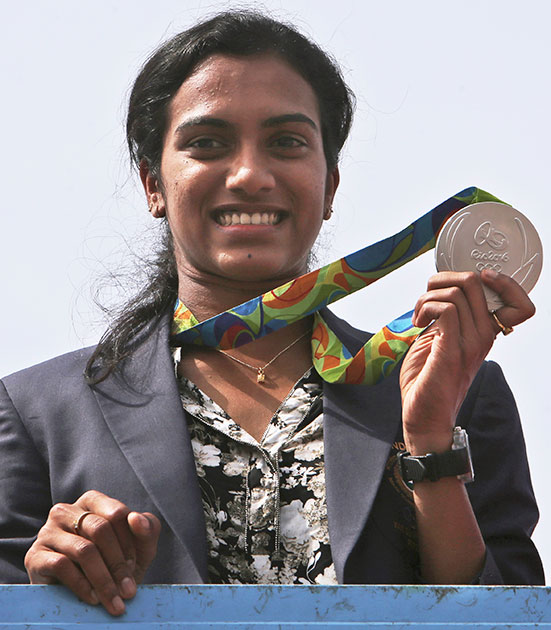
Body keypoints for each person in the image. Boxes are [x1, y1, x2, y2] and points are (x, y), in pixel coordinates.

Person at [0, 10, 543, 618]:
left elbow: (510, 615)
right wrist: (45, 585)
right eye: (207, 143)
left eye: (287, 142)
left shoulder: (461, 392)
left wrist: (431, 445)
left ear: (330, 184)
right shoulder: (39, 417)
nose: (251, 175)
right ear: (154, 183)